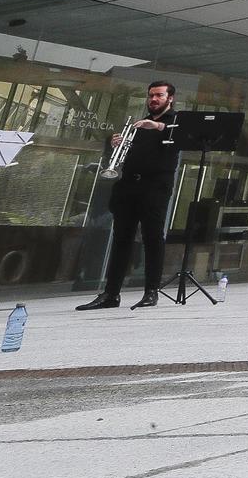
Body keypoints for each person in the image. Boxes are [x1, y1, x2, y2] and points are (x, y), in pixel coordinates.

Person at [76, 80, 181, 311]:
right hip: (128, 187)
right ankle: (111, 293)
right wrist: (117, 145)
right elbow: (124, 158)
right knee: (121, 240)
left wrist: (157, 127)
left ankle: (151, 292)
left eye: (159, 96)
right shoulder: (138, 125)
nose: (154, 99)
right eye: (151, 95)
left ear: (170, 98)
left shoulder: (175, 122)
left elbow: (183, 136)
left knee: (153, 239)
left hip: (155, 189)